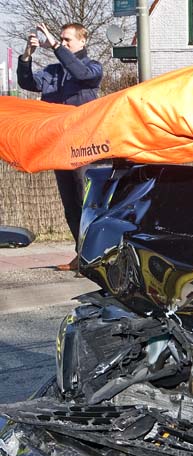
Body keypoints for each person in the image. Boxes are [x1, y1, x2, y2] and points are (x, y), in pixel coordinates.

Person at [17, 22, 103, 271]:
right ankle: (81, 254)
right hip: (58, 144)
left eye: (68, 41)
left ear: (82, 42)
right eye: (61, 41)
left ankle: (95, 256)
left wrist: (54, 45)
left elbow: (80, 74)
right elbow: (28, 83)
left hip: (84, 144)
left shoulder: (92, 68)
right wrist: (26, 55)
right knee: (70, 203)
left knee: (87, 200)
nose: (63, 44)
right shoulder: (53, 71)